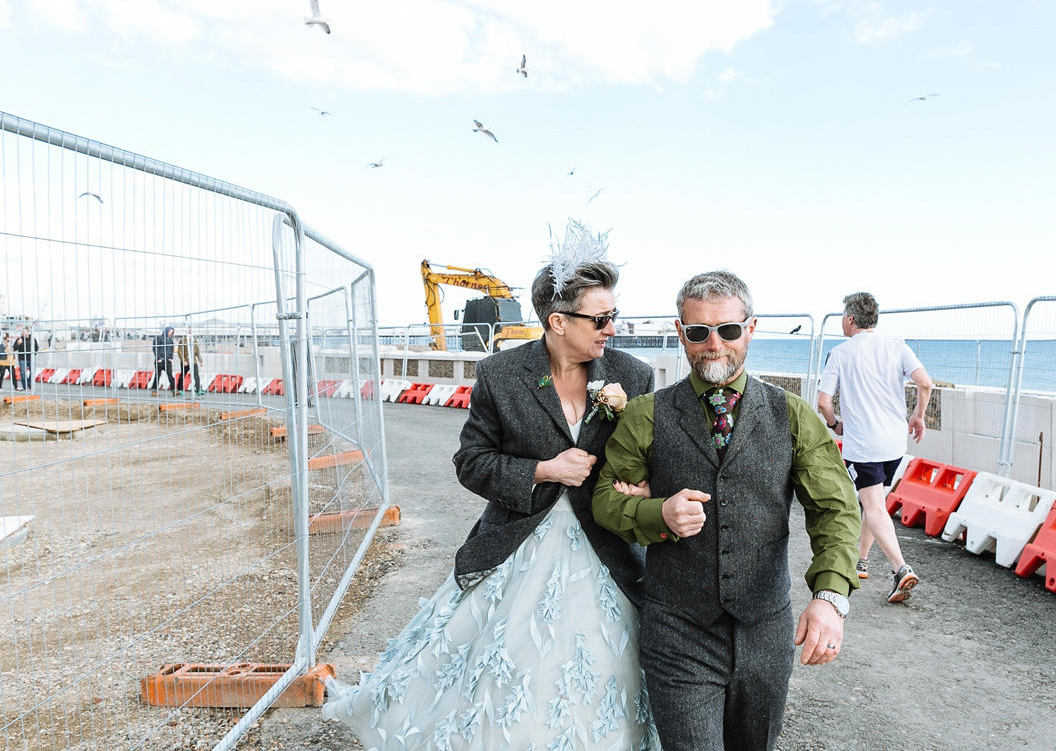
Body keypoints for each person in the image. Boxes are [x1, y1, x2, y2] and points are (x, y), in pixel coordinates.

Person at [323, 221, 660, 749]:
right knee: (488, 670)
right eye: (601, 318)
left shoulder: (633, 376)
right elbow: (472, 462)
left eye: (613, 315)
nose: (611, 328)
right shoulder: (501, 374)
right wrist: (543, 470)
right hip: (515, 541)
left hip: (607, 546)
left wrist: (642, 486)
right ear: (557, 320)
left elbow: (650, 457)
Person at [591, 270, 861, 751]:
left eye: (728, 330)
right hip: (678, 634)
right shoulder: (646, 414)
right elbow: (605, 502)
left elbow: (835, 509)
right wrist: (658, 514)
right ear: (681, 333)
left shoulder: (793, 415)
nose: (714, 344)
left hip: (766, 634)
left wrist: (831, 596)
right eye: (699, 332)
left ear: (750, 329)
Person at [816, 291, 933, 603]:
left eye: (843, 315)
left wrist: (833, 424)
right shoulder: (897, 346)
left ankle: (901, 569)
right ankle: (862, 560)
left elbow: (823, 401)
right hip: (895, 444)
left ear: (851, 319)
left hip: (863, 446)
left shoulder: (840, 353)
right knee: (875, 502)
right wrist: (918, 416)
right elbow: (925, 382)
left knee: (873, 505)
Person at [176, 329, 204, 396]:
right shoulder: (182, 341)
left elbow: (197, 351)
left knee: (196, 376)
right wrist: (183, 360)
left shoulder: (195, 341)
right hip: (186, 361)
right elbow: (180, 351)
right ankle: (179, 389)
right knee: (183, 375)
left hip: (193, 361)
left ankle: (198, 390)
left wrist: (200, 360)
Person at [151, 326, 176, 396]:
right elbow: (155, 349)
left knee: (170, 375)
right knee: (157, 375)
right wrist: (158, 358)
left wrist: (170, 357)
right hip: (160, 361)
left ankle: (174, 390)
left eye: (172, 332)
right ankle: (154, 390)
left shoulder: (170, 340)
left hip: (167, 361)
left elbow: (172, 349)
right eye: (169, 332)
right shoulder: (159, 338)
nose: (170, 333)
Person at [13, 327, 39, 391]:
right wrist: (18, 344)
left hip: (31, 358)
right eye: (22, 332)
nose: (22, 333)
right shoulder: (19, 339)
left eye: (24, 332)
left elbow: (36, 348)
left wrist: (33, 355)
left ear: (28, 332)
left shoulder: (32, 339)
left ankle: (30, 384)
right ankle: (25, 386)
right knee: (23, 373)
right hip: (22, 358)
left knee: (32, 372)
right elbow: (15, 348)